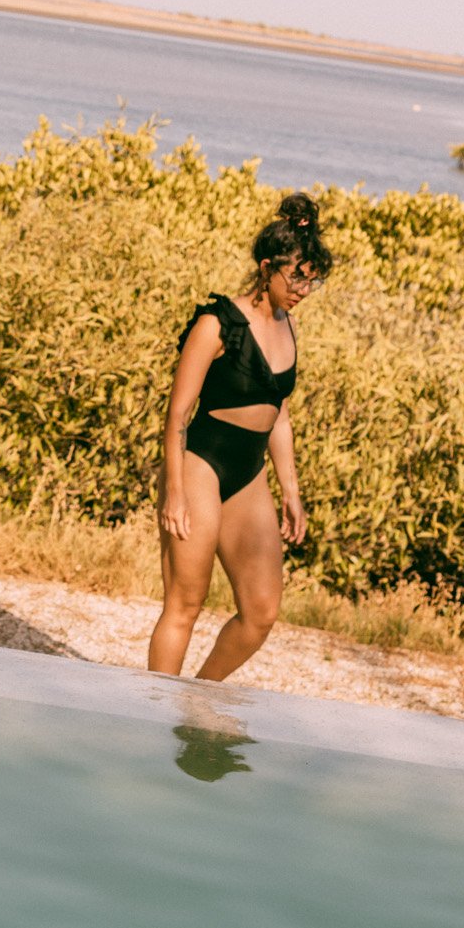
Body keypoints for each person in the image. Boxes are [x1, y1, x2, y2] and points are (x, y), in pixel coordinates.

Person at [148, 191, 331, 682]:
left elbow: (280, 415)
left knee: (261, 612)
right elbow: (178, 414)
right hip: (201, 464)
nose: (304, 289)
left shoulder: (287, 325)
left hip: (249, 473)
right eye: (297, 277)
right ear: (267, 266)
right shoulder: (217, 322)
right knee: (185, 604)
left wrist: (291, 490)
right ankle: (149, 718)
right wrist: (176, 492)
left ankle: (196, 699)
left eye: (313, 280)